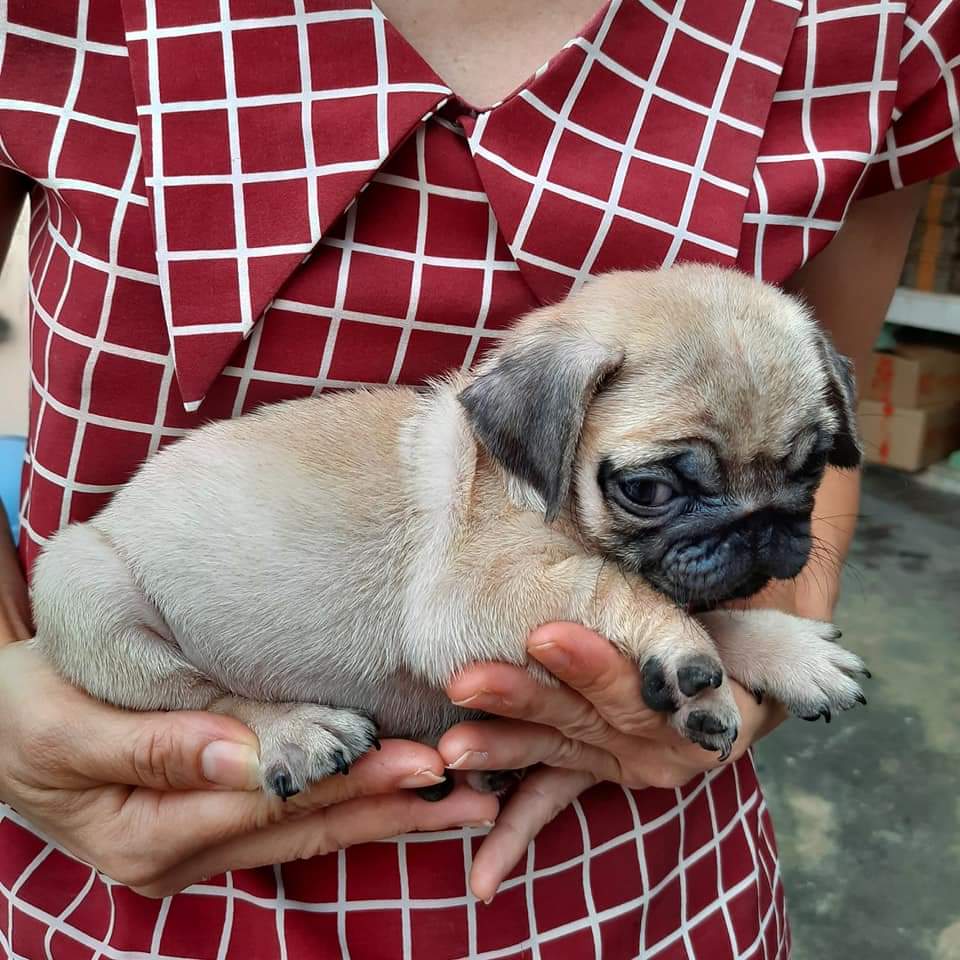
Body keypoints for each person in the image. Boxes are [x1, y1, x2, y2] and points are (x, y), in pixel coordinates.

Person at [0, 1, 956, 957]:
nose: (750, 523)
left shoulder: (873, 22)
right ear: (541, 436)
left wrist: (765, 653)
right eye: (656, 489)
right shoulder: (502, 474)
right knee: (85, 583)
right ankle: (244, 716)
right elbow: (485, 615)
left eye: (791, 469)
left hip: (629, 864)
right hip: (117, 841)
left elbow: (819, 476)